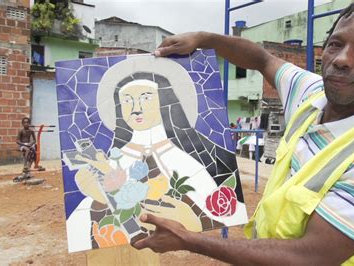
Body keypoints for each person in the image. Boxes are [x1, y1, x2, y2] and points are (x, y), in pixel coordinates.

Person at [131, 1, 354, 265]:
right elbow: (261, 58)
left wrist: (189, 239)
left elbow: (311, 257)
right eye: (335, 44)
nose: (342, 59)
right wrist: (205, 39)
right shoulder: (310, 93)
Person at [64, 56, 247, 252]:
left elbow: (224, 212)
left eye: (146, 97)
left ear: (165, 102)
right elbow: (88, 220)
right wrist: (97, 196)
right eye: (127, 100)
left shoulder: (188, 160)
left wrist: (192, 222)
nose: (136, 109)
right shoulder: (114, 159)